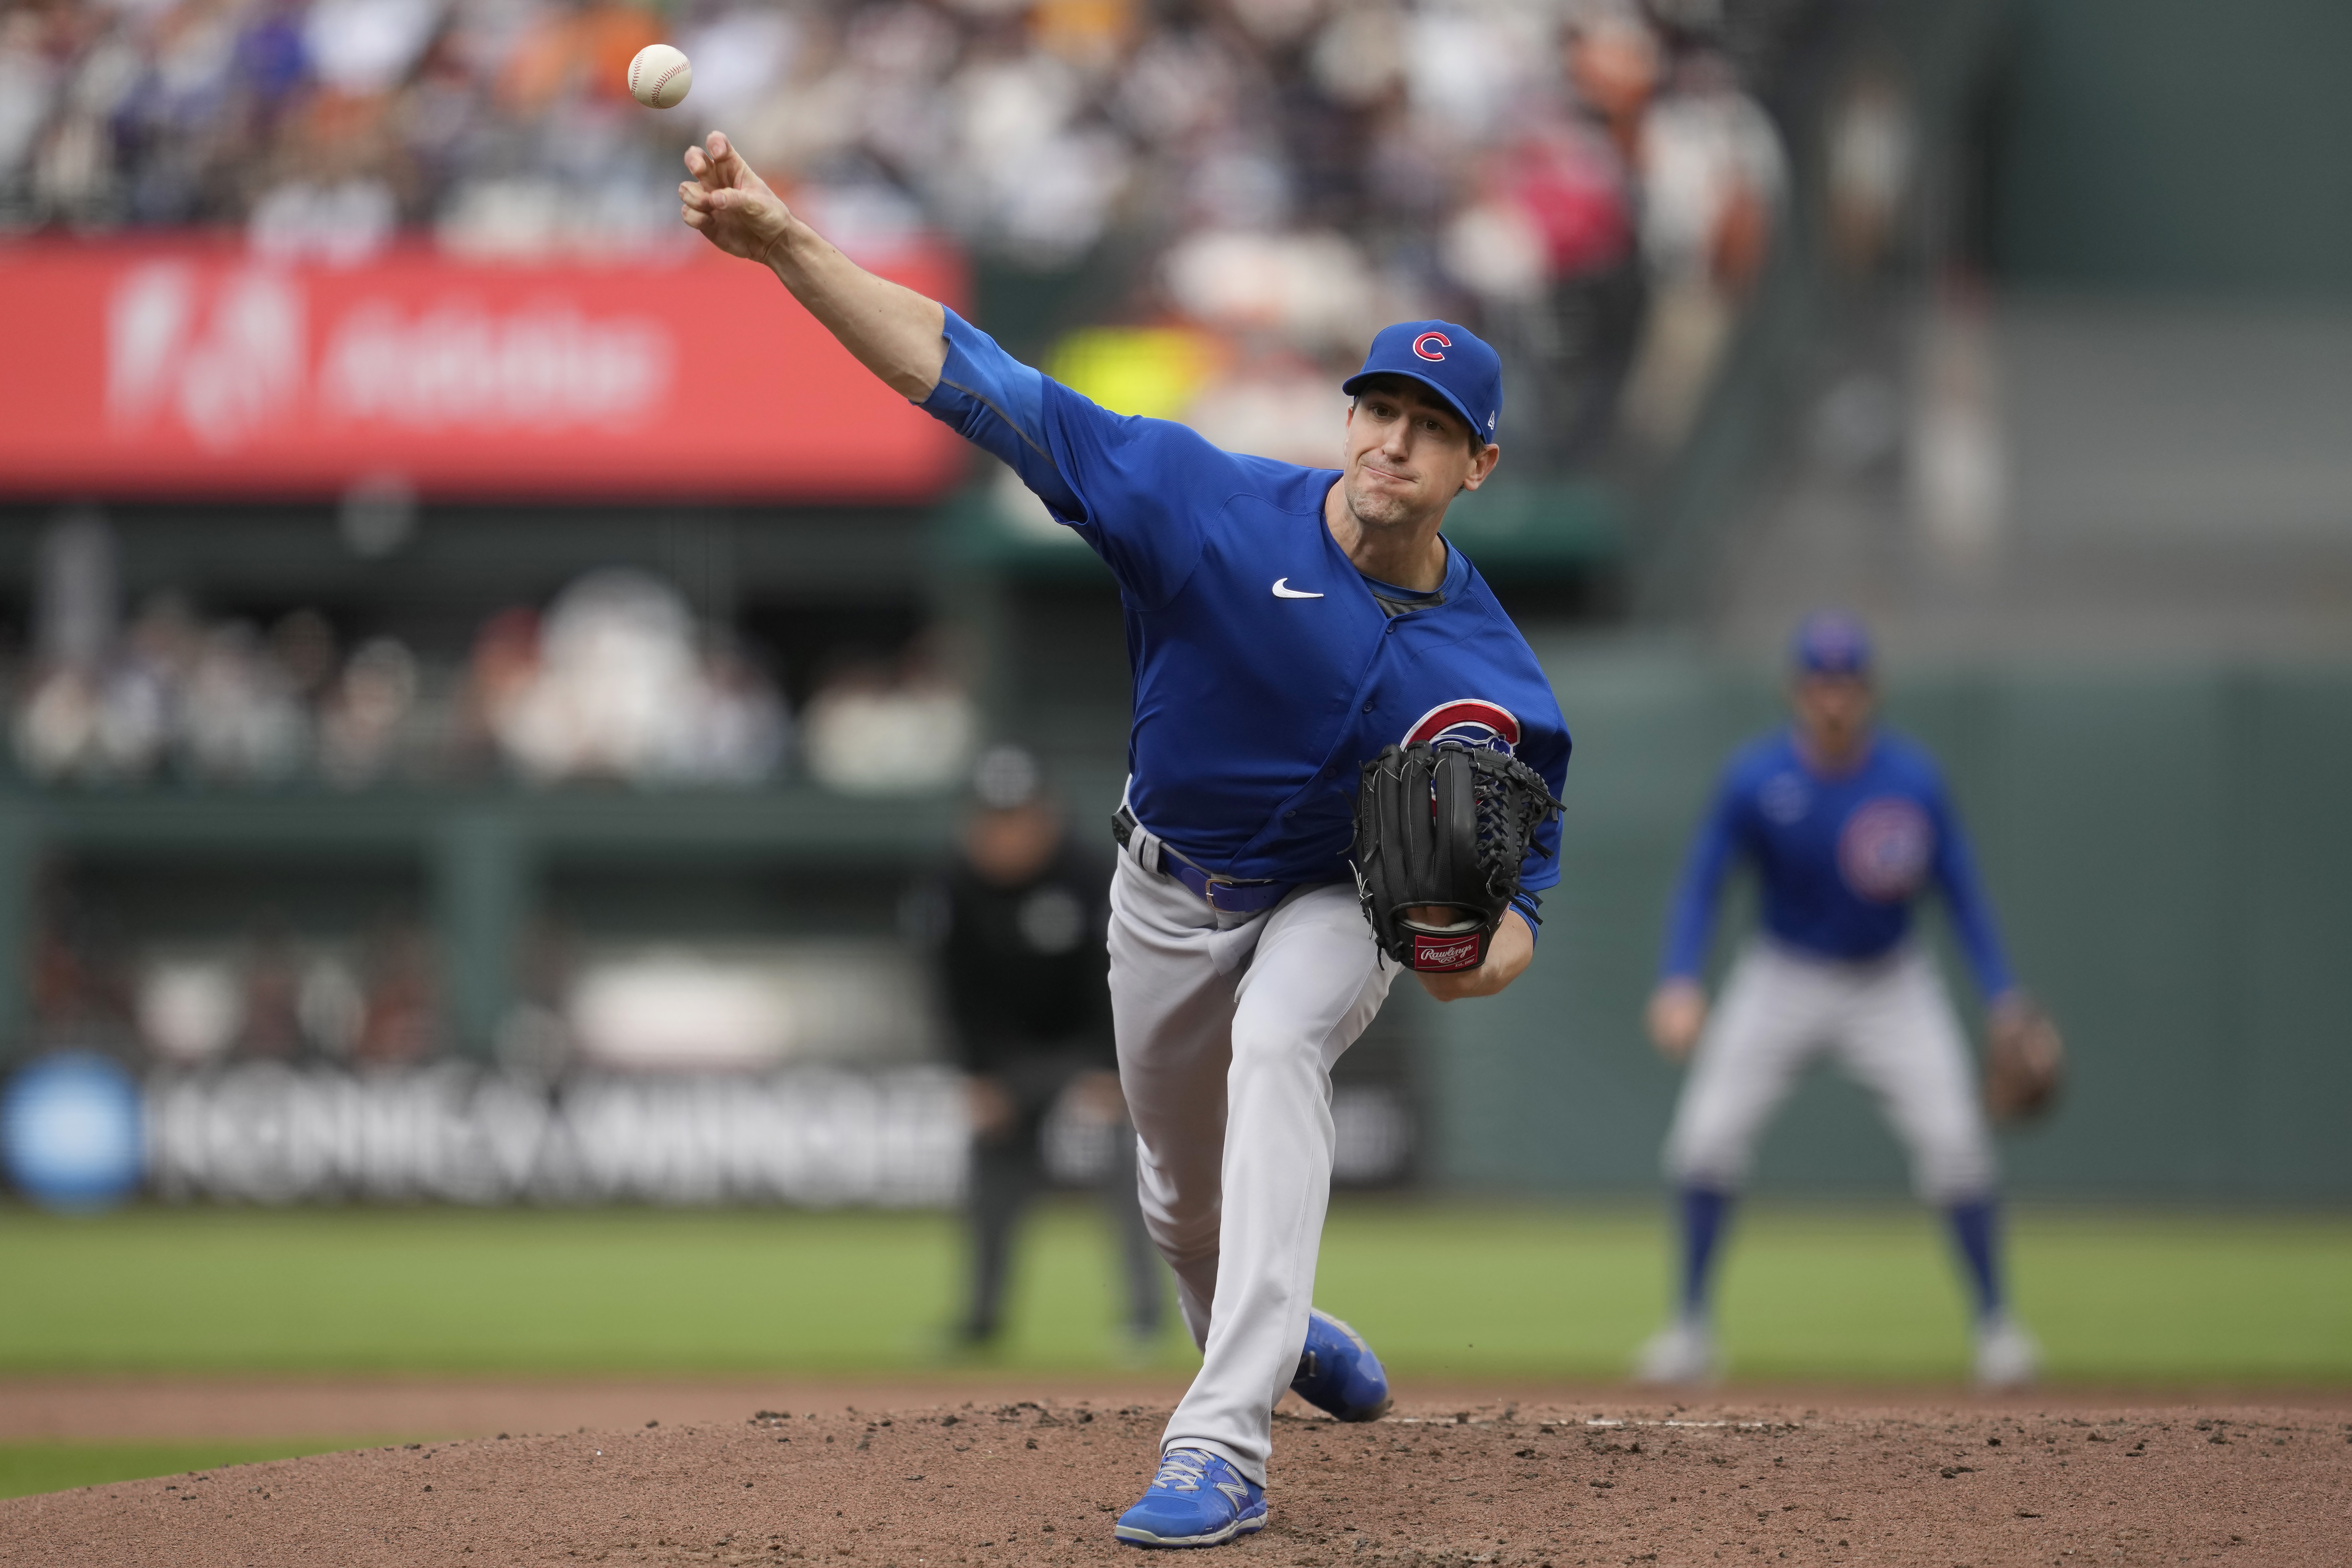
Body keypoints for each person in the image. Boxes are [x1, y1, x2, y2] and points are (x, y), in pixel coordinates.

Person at [678, 131, 1571, 1548]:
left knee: (1282, 1047)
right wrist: (789, 244)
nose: (1392, 439)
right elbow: (970, 376)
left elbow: (1516, 912)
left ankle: (1223, 1445)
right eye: (1377, 408)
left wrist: (1474, 963)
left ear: (1477, 463)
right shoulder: (1206, 507)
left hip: (1332, 900)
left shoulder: (1496, 685)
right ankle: (1271, 1334)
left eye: (1430, 424)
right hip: (1161, 890)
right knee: (1174, 1209)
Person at [1636, 611, 2038, 1388]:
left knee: (1959, 1147)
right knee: (1703, 1143)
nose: (1833, 697)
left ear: (1869, 691)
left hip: (1891, 982)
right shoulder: (1756, 778)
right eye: (1821, 682)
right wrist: (1681, 978)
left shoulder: (1912, 779)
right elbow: (1703, 884)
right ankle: (1689, 1330)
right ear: (1797, 689)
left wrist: (2004, 997)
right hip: (1782, 975)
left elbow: (1962, 895)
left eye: (1847, 682)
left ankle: (1998, 1331)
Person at [922, 743, 1162, 1352]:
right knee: (991, 1170)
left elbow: (1121, 976)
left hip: (1087, 1049)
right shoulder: (954, 885)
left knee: (1125, 1166)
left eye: (1018, 817)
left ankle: (1142, 1318)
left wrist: (1111, 1070)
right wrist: (976, 1076)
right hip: (1006, 1059)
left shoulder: (1090, 874)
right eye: (993, 819)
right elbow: (953, 993)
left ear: (1046, 816)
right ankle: (980, 1321)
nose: (1005, 833)